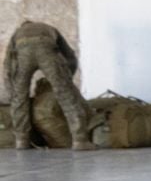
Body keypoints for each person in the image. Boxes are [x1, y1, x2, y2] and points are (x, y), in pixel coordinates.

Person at [6, 20, 91, 151]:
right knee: (66, 96)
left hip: (23, 53)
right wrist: (66, 79)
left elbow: (8, 65)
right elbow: (70, 56)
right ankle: (80, 140)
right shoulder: (49, 28)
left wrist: (12, 89)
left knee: (19, 99)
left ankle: (21, 141)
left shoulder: (17, 33)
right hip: (46, 49)